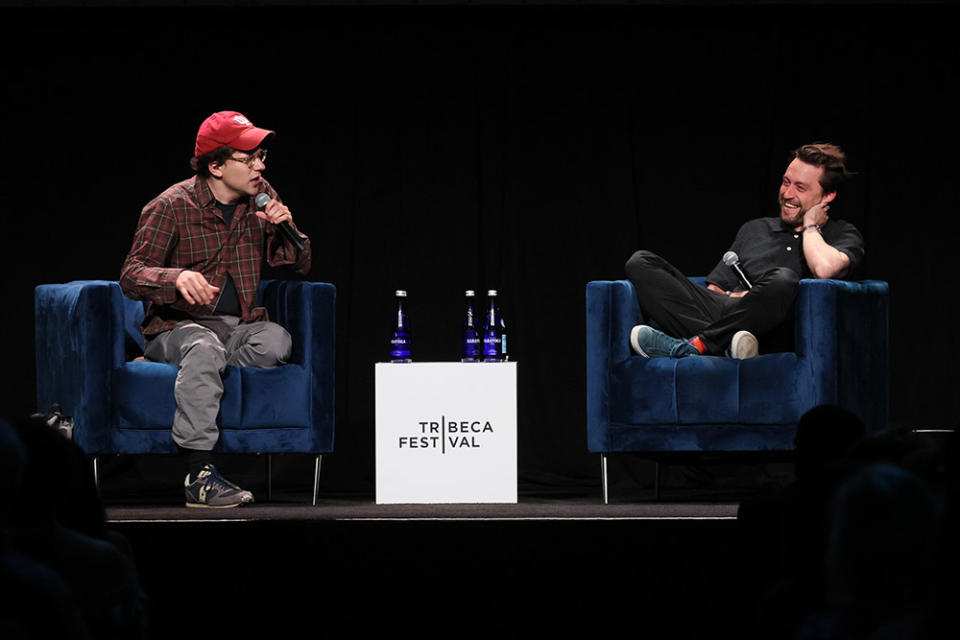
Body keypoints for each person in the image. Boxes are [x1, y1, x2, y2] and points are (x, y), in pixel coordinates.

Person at [120, 111, 311, 508]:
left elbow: (300, 262)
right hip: (177, 327)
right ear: (216, 165)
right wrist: (174, 279)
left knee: (275, 341)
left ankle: (199, 372)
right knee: (203, 346)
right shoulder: (171, 206)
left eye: (262, 157)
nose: (260, 166)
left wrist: (285, 227)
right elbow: (131, 275)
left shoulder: (261, 199)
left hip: (236, 326)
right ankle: (199, 474)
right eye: (249, 158)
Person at [625, 143, 864, 359]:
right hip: (730, 315)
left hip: (773, 325)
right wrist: (738, 300)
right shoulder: (755, 229)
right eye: (786, 182)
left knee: (783, 280)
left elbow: (824, 269)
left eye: (800, 187)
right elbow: (715, 291)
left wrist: (811, 226)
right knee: (640, 263)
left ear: (827, 195)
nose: (788, 194)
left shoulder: (841, 234)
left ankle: (695, 345)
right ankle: (729, 346)